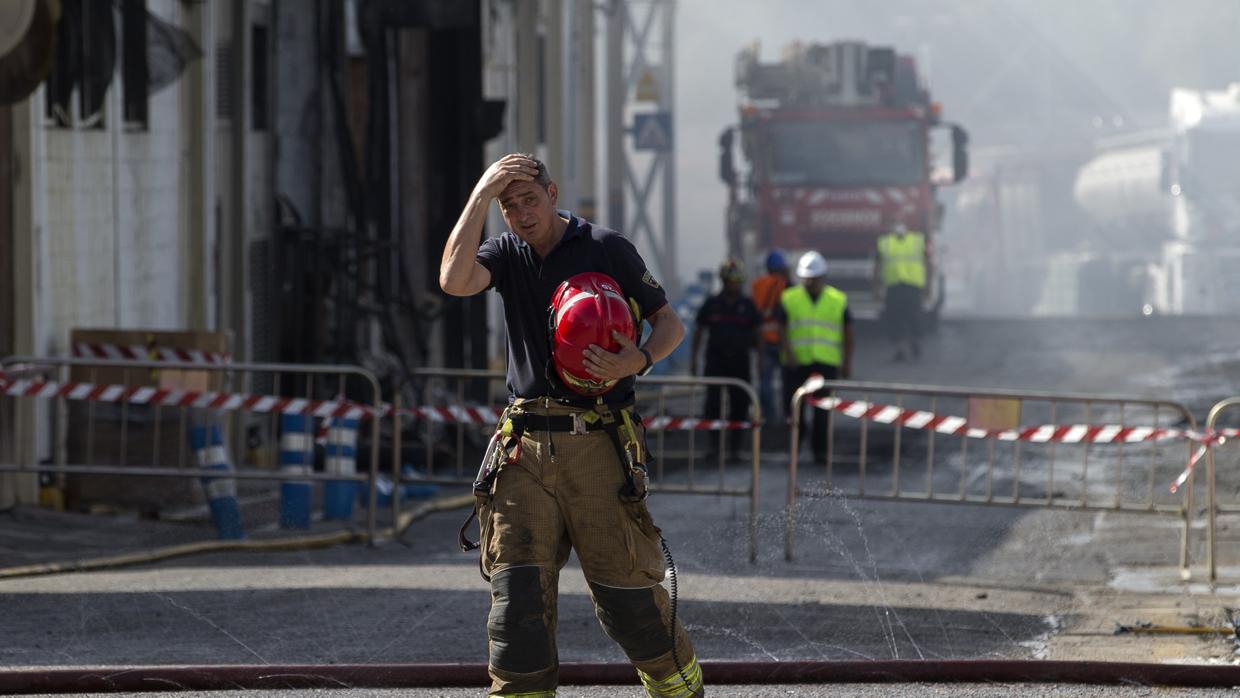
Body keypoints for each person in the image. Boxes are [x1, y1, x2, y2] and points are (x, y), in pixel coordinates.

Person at [438, 153, 703, 698]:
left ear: (553, 193)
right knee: (518, 609)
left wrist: (639, 361)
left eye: (529, 200)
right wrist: (480, 195)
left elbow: (669, 323)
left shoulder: (606, 248)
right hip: (525, 448)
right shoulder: (506, 254)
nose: (521, 214)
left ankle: (681, 691)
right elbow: (453, 280)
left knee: (629, 600)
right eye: (509, 207)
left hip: (597, 445)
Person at [777, 251, 854, 461]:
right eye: (806, 278)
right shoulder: (789, 297)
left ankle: (820, 453)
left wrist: (847, 361)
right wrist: (788, 353)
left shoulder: (837, 299)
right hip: (796, 363)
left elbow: (848, 332)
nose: (809, 282)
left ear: (822, 277)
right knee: (793, 411)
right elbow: (781, 328)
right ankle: (794, 449)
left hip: (825, 363)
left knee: (822, 412)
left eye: (813, 278)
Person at [691, 257, 762, 460]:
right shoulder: (711, 304)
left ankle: (735, 450)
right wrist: (694, 360)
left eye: (737, 281)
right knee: (712, 405)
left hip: (741, 362)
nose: (734, 284)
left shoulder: (748, 305)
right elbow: (699, 331)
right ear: (723, 281)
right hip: (716, 361)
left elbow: (758, 334)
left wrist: (760, 360)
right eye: (730, 281)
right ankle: (714, 448)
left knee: (740, 405)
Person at [874, 221, 927, 361]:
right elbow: (878, 265)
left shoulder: (916, 240)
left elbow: (927, 261)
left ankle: (913, 342)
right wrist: (876, 287)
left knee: (912, 317)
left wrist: (928, 284)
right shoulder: (885, 243)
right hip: (895, 286)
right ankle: (900, 348)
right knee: (896, 318)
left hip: (910, 286)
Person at [750, 250, 791, 424]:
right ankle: (786, 416)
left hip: (762, 342)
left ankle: (769, 415)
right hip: (782, 342)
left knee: (765, 382)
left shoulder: (757, 285)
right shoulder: (786, 286)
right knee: (786, 383)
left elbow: (755, 311)